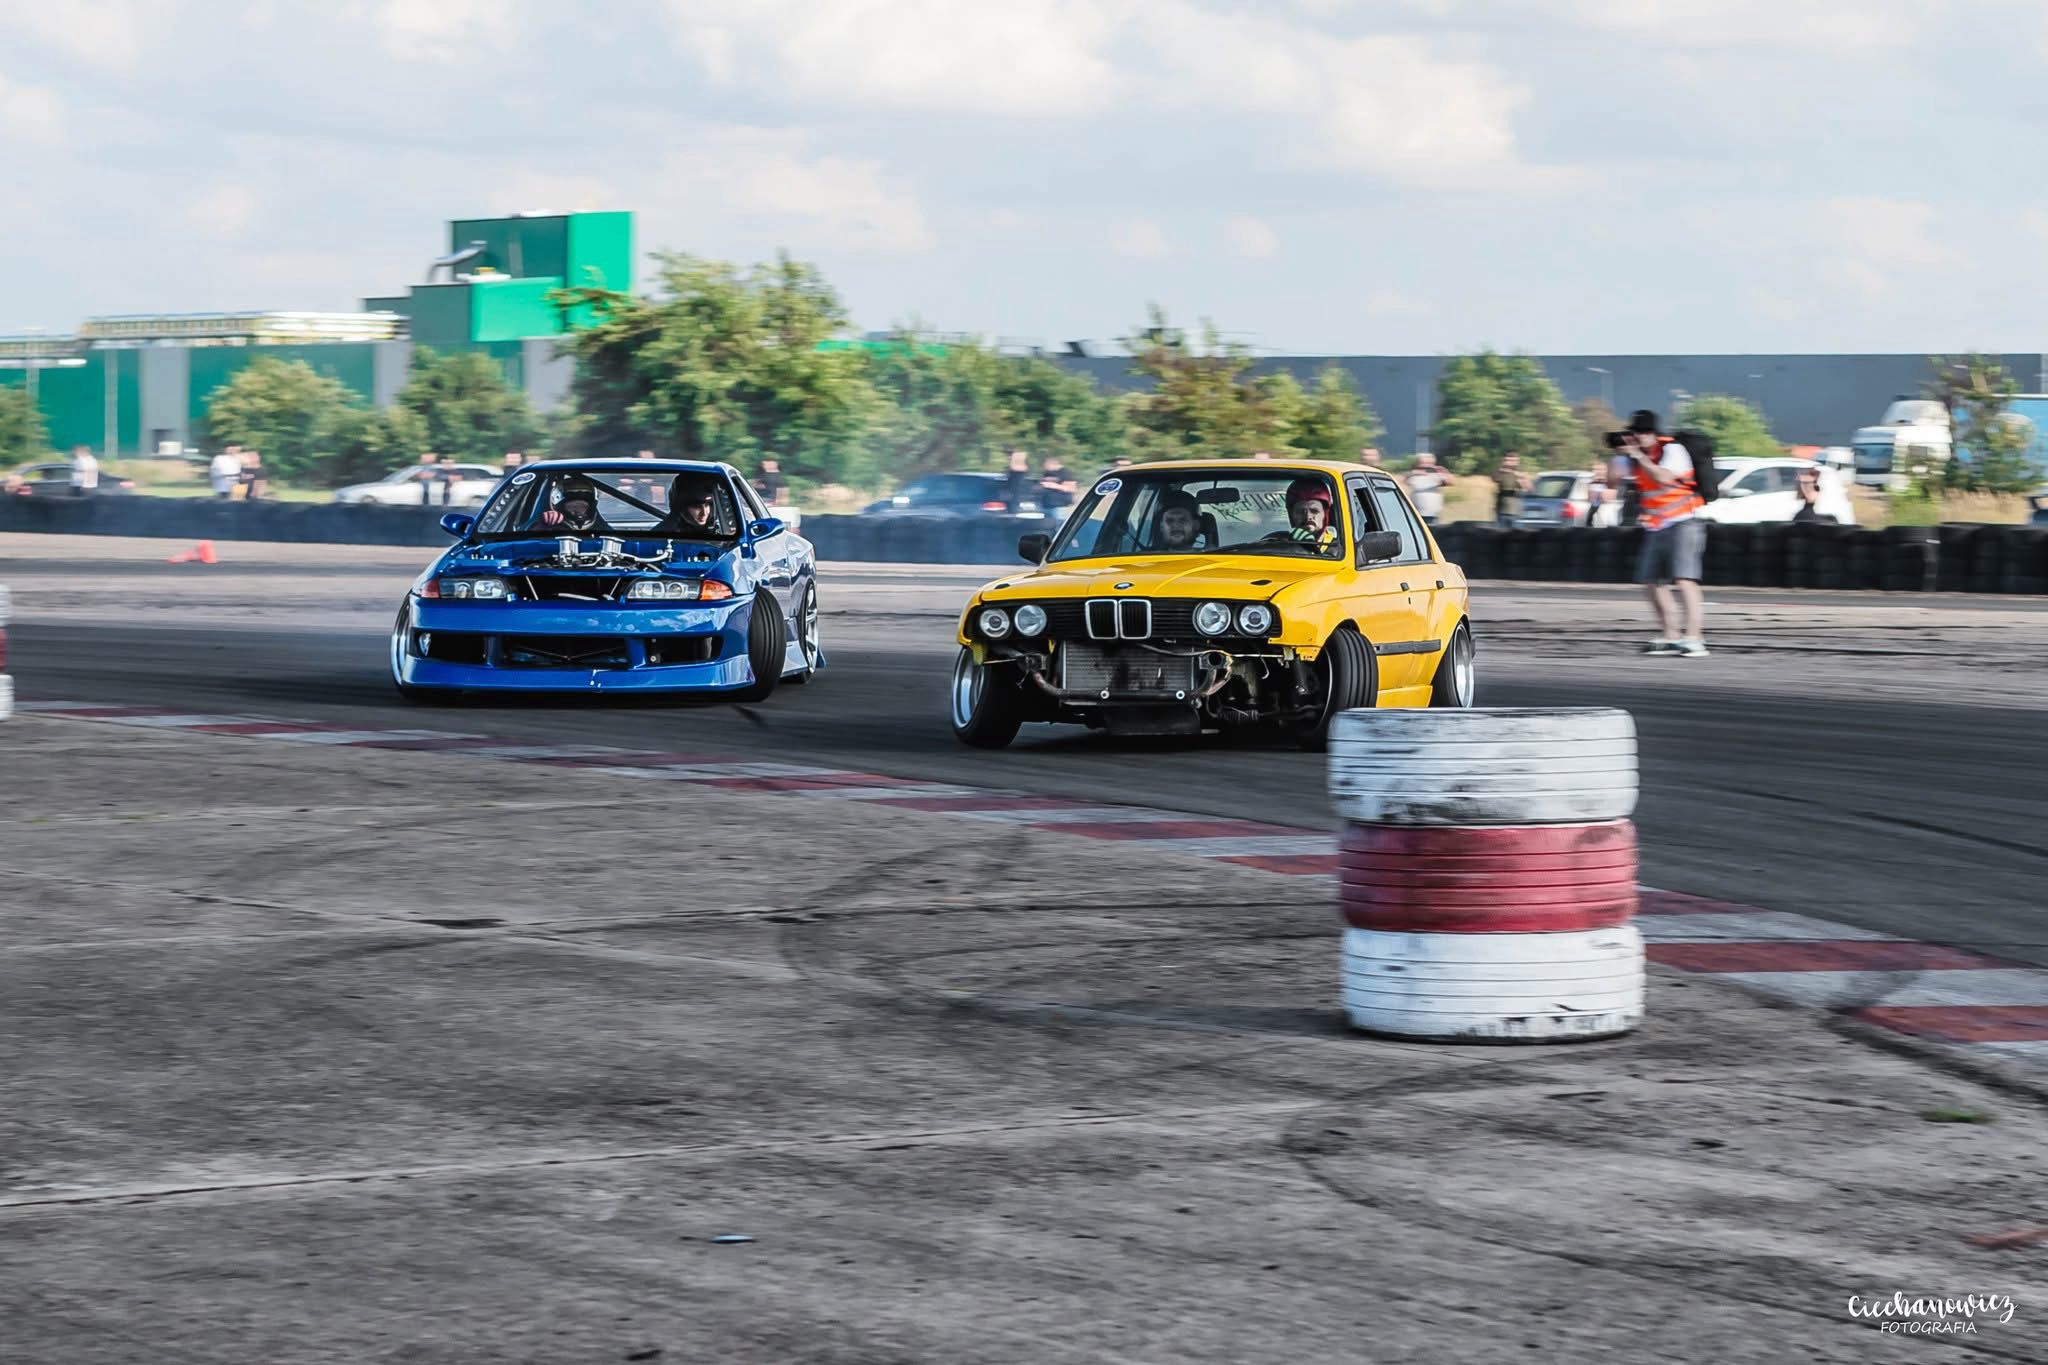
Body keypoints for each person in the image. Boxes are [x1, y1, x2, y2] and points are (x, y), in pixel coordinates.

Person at [1621, 410, 1707, 657]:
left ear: (1654, 433)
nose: (1639, 436)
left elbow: (1663, 478)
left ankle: (1694, 638)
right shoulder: (1636, 457)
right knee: (1651, 580)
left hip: (1684, 521)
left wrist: (1638, 455)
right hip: (1657, 525)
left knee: (1685, 579)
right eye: (1636, 432)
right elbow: (1613, 481)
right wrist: (1621, 455)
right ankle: (1671, 635)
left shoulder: (1673, 450)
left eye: (1644, 432)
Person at [1279, 476, 1340, 555]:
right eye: (1300, 511)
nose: (1308, 516)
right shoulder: (1279, 548)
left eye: (1314, 511)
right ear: (1292, 516)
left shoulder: (1340, 550)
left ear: (1325, 514)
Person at [540, 475, 606, 532]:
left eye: (582, 507)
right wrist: (547, 523)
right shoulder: (548, 524)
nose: (578, 511)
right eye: (572, 507)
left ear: (591, 507)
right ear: (559, 507)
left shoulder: (600, 526)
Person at [1405, 452, 1446, 525]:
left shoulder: (1436, 475)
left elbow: (1449, 482)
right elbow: (1405, 481)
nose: (1426, 466)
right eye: (1423, 463)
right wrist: (1414, 473)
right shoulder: (1414, 475)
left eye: (1429, 463)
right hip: (1416, 513)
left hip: (1432, 514)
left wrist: (1441, 471)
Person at [1493, 452, 1531, 526]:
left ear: (1517, 462)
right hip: (1501, 511)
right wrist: (1504, 470)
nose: (1510, 463)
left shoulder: (1521, 473)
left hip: (1516, 512)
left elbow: (1529, 488)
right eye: (1508, 460)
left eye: (1513, 461)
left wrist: (1521, 478)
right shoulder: (1500, 473)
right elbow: (1494, 480)